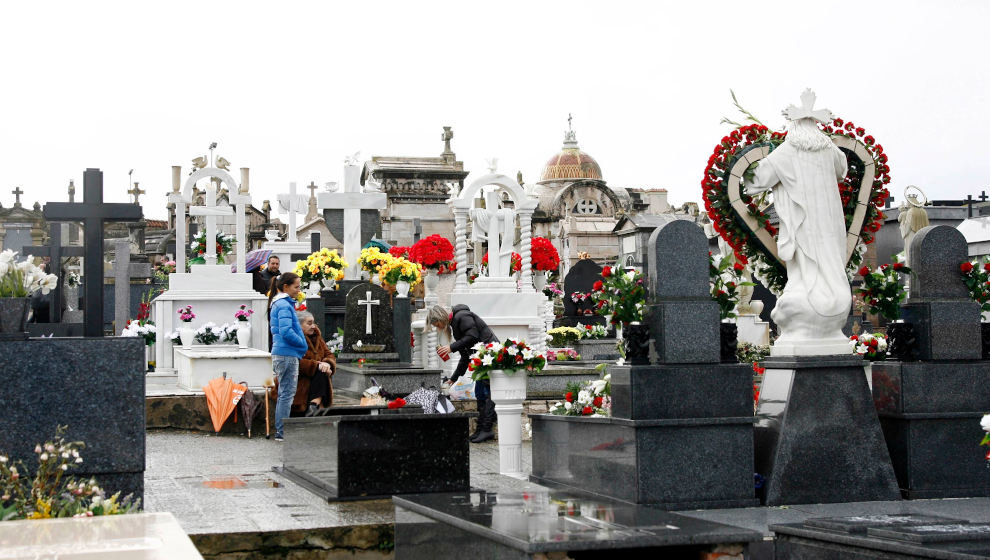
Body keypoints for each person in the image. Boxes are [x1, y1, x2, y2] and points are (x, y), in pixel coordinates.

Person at [747, 89, 850, 354]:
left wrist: (750, 158)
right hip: (829, 225)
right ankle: (831, 304)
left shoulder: (787, 150)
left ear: (792, 127)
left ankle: (814, 306)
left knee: (807, 271)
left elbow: (755, 182)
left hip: (803, 227)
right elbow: (843, 168)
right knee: (828, 264)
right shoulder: (831, 151)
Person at [429, 304, 499, 443]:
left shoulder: (461, 316)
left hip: (489, 355)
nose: (437, 327)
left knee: (486, 393)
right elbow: (465, 356)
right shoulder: (456, 324)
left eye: (436, 324)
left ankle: (486, 429)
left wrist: (451, 347)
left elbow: (473, 336)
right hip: (481, 358)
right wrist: (453, 378)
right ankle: (481, 429)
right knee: (480, 394)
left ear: (440, 318)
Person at [268, 272, 307, 441]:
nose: (299, 290)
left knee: (285, 393)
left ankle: (281, 431)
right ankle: (282, 432)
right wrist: (301, 343)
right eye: (296, 287)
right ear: (285, 287)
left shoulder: (279, 303)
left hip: (282, 353)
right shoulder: (284, 305)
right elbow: (286, 331)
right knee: (286, 394)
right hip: (287, 353)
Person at [295, 310, 335, 416]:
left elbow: (329, 355)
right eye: (309, 323)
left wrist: (327, 364)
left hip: (318, 379)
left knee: (322, 370)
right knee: (321, 370)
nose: (313, 326)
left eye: (313, 323)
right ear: (299, 324)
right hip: (300, 381)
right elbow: (294, 362)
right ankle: (315, 404)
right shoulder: (294, 339)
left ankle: (314, 405)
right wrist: (317, 365)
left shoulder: (317, 338)